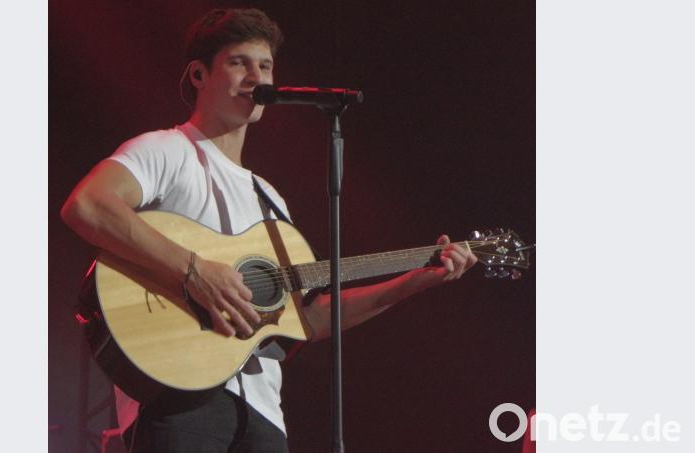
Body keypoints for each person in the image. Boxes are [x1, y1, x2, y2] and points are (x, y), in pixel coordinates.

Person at [61, 8, 477, 452]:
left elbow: (308, 319)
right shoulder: (167, 150)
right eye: (239, 62)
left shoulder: (270, 198)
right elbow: (87, 205)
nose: (256, 76)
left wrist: (413, 282)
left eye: (265, 65)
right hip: (178, 397)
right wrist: (194, 269)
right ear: (199, 75)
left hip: (263, 414)